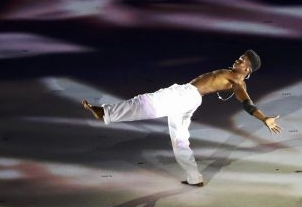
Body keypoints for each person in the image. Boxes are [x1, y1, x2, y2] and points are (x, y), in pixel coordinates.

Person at [82, 50, 281, 186]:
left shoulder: (237, 81)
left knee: (145, 102)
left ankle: (105, 112)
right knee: (180, 140)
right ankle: (194, 178)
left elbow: (247, 103)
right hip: (190, 100)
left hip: (185, 95)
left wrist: (264, 119)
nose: (237, 60)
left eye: (241, 60)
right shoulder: (233, 76)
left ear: (247, 69)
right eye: (239, 57)